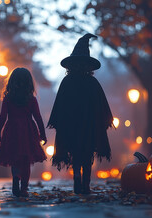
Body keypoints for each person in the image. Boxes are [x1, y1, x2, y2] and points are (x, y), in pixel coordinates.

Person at [47, 33, 113, 194]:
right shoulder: (92, 82)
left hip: (71, 127)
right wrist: (104, 122)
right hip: (88, 127)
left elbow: (59, 106)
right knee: (87, 154)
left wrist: (59, 123)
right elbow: (102, 107)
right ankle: (85, 182)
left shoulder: (67, 82)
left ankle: (78, 179)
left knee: (76, 154)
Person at [0, 68, 47, 197]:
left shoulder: (8, 99)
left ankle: (16, 176)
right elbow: (38, 117)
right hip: (28, 130)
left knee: (14, 158)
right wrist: (42, 133)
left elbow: (2, 117)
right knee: (26, 160)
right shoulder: (32, 99)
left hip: (12, 129)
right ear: (29, 82)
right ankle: (24, 188)